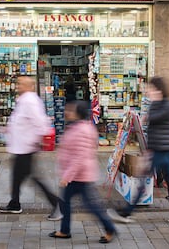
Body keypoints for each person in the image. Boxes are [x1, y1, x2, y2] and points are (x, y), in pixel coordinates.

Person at [107, 76, 169, 224]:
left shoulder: (166, 105)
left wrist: (146, 117)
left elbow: (153, 119)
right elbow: (151, 128)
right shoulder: (156, 104)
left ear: (158, 90)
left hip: (163, 149)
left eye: (151, 89)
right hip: (157, 149)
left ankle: (127, 212)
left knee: (144, 179)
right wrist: (148, 151)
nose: (148, 92)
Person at [48, 101, 117, 244]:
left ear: (78, 113)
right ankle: (65, 230)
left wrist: (67, 176)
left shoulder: (82, 130)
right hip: (77, 175)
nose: (67, 112)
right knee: (66, 201)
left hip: (80, 176)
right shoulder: (78, 127)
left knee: (90, 205)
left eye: (71, 110)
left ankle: (109, 228)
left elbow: (80, 157)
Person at [0, 76, 62, 221]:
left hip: (26, 147)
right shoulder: (23, 100)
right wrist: (8, 129)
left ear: (29, 86)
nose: (17, 86)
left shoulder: (30, 101)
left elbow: (41, 122)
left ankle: (57, 204)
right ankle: (14, 203)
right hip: (20, 146)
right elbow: (20, 121)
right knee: (16, 176)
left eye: (20, 84)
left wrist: (41, 140)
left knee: (33, 178)